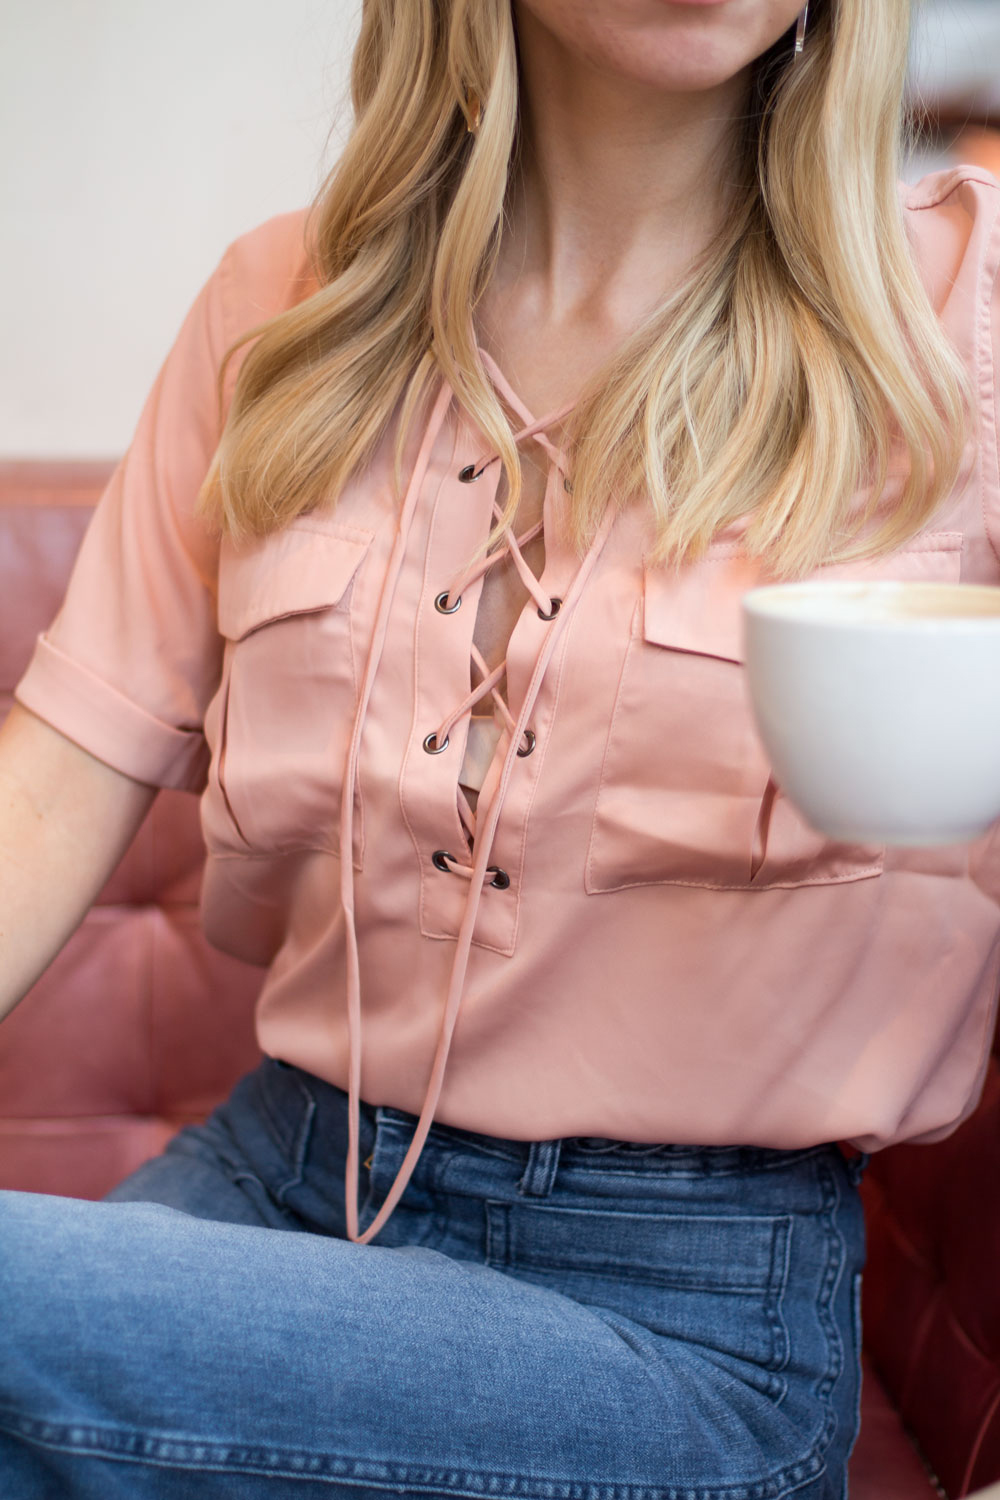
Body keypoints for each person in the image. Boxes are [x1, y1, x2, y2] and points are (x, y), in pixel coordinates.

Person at [1, 1, 998, 1496]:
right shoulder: (278, 304)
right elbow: (67, 756)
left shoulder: (967, 310)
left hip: (673, 1319)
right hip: (272, 1181)